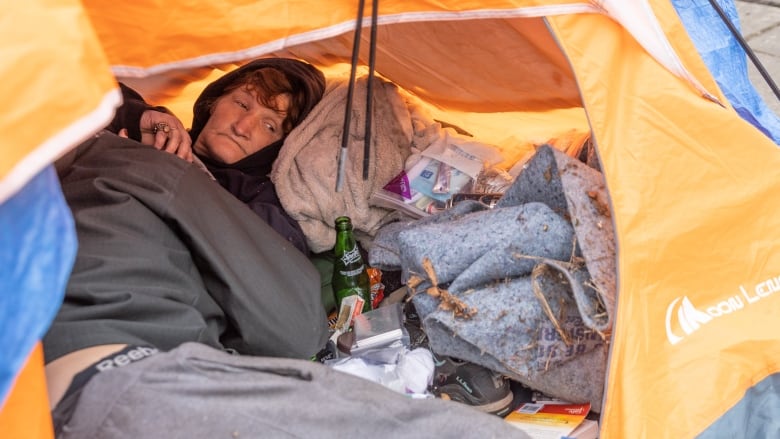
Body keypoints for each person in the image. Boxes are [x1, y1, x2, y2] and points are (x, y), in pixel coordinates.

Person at [41, 57, 531, 439]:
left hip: (140, 358)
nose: (246, 124)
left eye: (271, 125)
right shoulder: (135, 143)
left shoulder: (259, 204)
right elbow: (66, 82)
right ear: (211, 102)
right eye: (242, 103)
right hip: (105, 362)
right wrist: (145, 113)